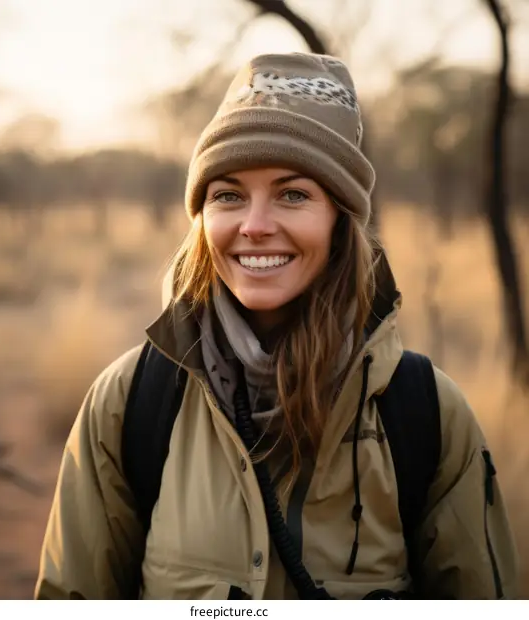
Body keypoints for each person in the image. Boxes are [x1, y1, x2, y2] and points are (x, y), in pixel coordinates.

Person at [34, 52, 519, 600]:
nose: (256, 226)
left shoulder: (426, 414)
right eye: (228, 195)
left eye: (293, 194)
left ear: (341, 219)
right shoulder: (130, 404)